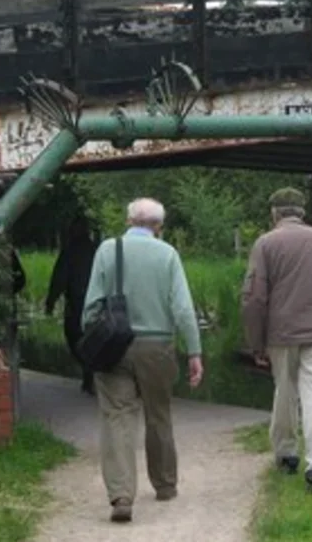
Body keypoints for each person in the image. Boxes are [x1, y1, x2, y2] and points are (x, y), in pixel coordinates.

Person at [82, 198, 203, 523]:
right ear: (159, 227)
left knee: (117, 417)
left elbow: (91, 305)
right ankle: (164, 484)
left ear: (128, 220)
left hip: (114, 346)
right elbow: (182, 308)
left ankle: (121, 494)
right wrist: (194, 351)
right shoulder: (168, 254)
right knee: (158, 414)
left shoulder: (108, 250)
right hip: (157, 346)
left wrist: (91, 339)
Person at [241, 186, 312, 495]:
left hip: (280, 335)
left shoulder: (264, 244)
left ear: (274, 214)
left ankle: (286, 454)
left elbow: (253, 299)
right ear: (301, 213)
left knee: (285, 390)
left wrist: (257, 343)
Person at [45, 214, 99, 394]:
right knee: (94, 340)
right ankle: (90, 373)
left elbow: (59, 278)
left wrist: (50, 302)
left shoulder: (70, 251)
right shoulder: (96, 250)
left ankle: (88, 371)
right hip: (97, 304)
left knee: (74, 338)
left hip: (76, 304)